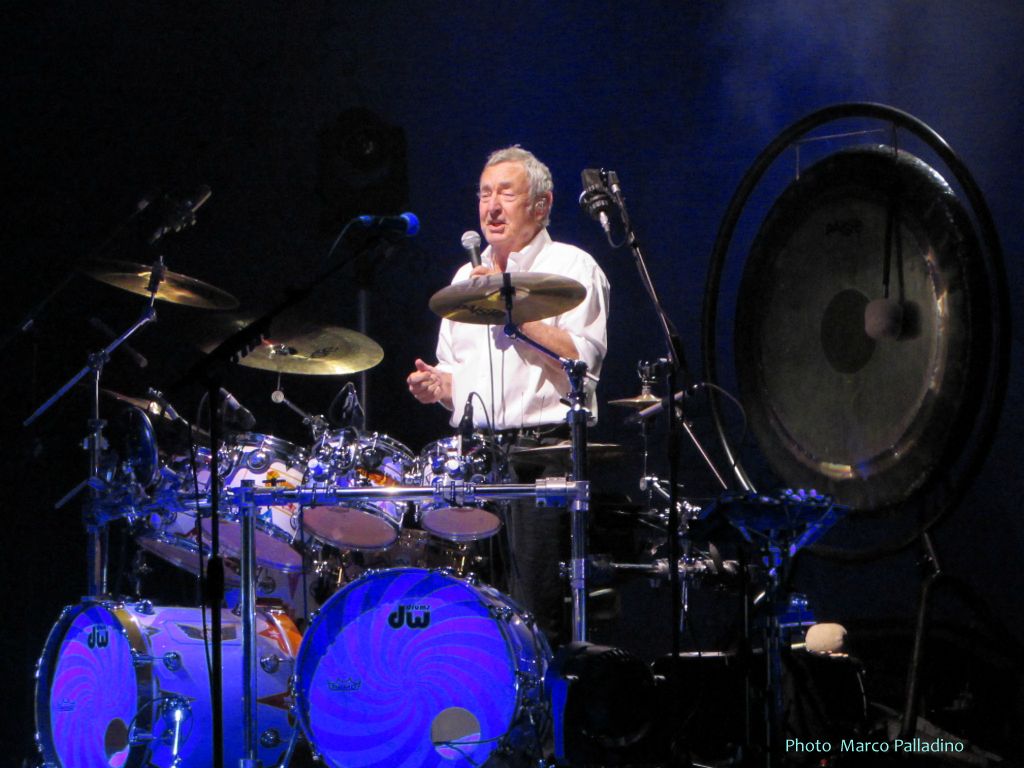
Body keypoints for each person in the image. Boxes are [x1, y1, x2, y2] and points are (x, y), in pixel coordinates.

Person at [407, 146, 610, 644]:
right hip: (477, 460)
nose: (491, 207)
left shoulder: (572, 267)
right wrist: (440, 387)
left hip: (543, 456)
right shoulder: (464, 278)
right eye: (484, 194)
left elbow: (581, 366)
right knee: (475, 609)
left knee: (534, 613)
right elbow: (459, 373)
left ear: (542, 205)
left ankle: (547, 693)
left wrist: (507, 306)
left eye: (506, 194)